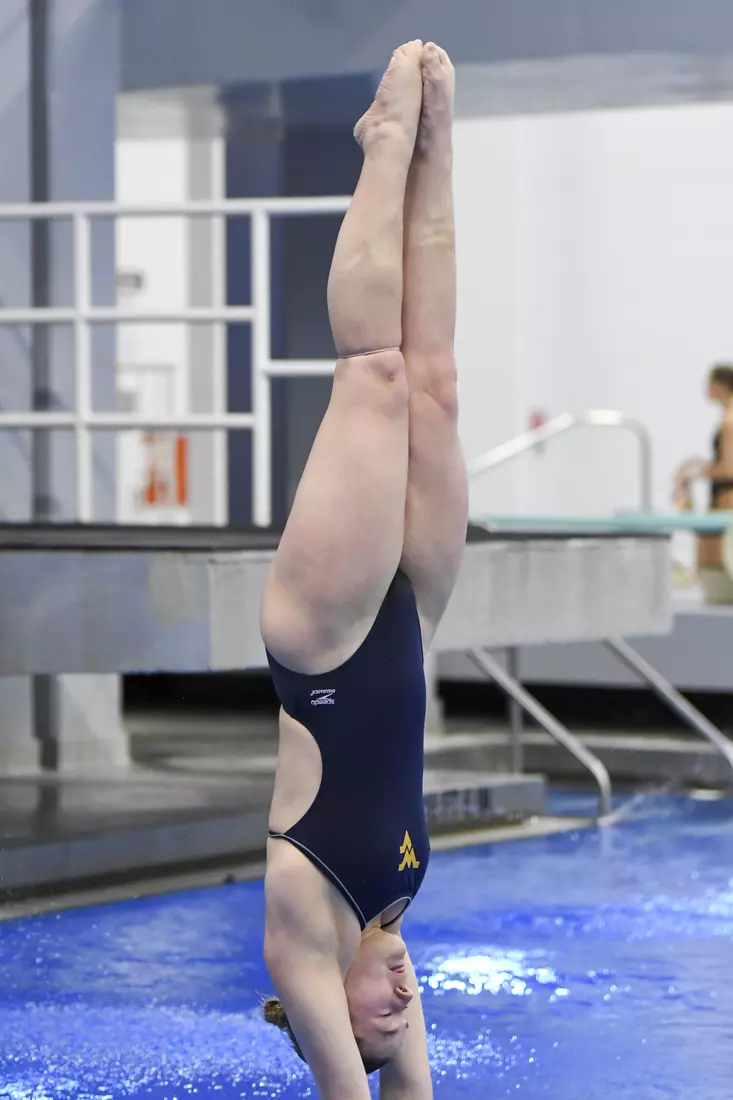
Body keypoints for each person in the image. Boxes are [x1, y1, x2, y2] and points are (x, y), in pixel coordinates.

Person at [259, 40, 468, 1100]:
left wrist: (365, 1072)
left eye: (371, 1026)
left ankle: (379, 145)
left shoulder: (301, 936)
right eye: (404, 1024)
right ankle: (435, 146)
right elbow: (406, 1081)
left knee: (375, 376)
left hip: (326, 642)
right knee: (433, 381)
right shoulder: (391, 915)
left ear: (320, 1019)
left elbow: (364, 1091)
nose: (398, 1006)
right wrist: (399, 1061)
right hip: (410, 623)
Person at [674, 364, 733, 596]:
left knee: (715, 572)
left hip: (726, 498)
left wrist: (694, 473)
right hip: (722, 496)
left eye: (709, 384)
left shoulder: (729, 421)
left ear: (720, 385)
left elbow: (729, 469)